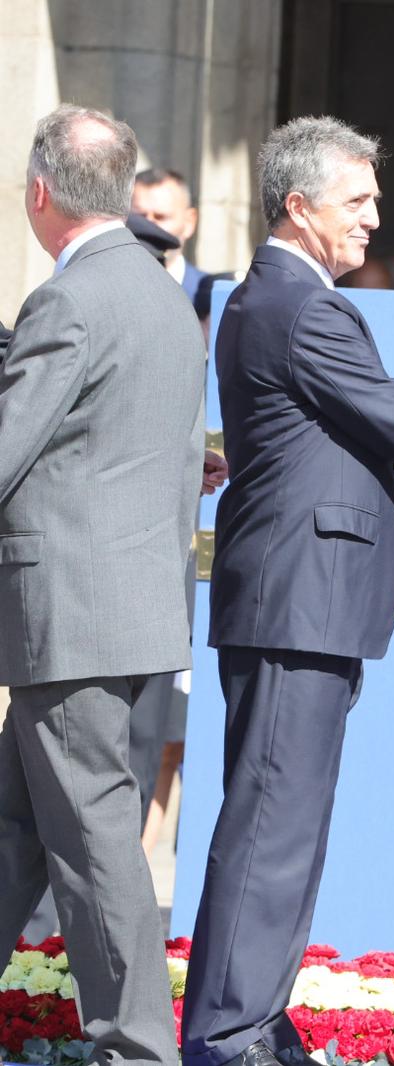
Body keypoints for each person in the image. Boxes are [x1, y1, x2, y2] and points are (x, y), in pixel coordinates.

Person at [179, 116, 394, 1066]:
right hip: (295, 602)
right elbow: (388, 414)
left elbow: (323, 453)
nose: (376, 217)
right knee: (271, 827)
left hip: (305, 591)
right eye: (358, 199)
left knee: (286, 822)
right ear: (300, 204)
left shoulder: (281, 299)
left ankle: (251, 1018)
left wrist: (387, 555)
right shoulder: (302, 305)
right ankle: (228, 1035)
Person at [0, 103, 206, 1066]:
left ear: (39, 193)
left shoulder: (68, 301)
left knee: (91, 847)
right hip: (129, 614)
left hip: (74, 619)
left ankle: (134, 1049)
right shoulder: (164, 291)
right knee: (16, 828)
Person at [132, 167, 211, 301]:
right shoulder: (106, 288)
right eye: (140, 216)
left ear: (189, 222)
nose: (149, 226)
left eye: (161, 217)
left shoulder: (210, 296)